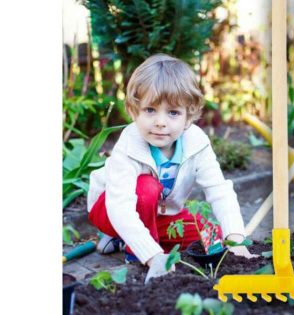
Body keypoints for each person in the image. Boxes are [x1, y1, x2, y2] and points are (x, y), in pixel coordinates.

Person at [87, 54, 257, 283]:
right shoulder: (129, 146)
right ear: (133, 110)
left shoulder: (196, 143)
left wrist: (235, 239)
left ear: (188, 117)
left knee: (213, 239)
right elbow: (120, 208)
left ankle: (144, 238)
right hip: (110, 210)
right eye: (150, 110)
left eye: (173, 112)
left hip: (160, 215)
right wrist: (155, 257)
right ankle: (131, 247)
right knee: (146, 187)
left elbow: (220, 190)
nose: (160, 122)